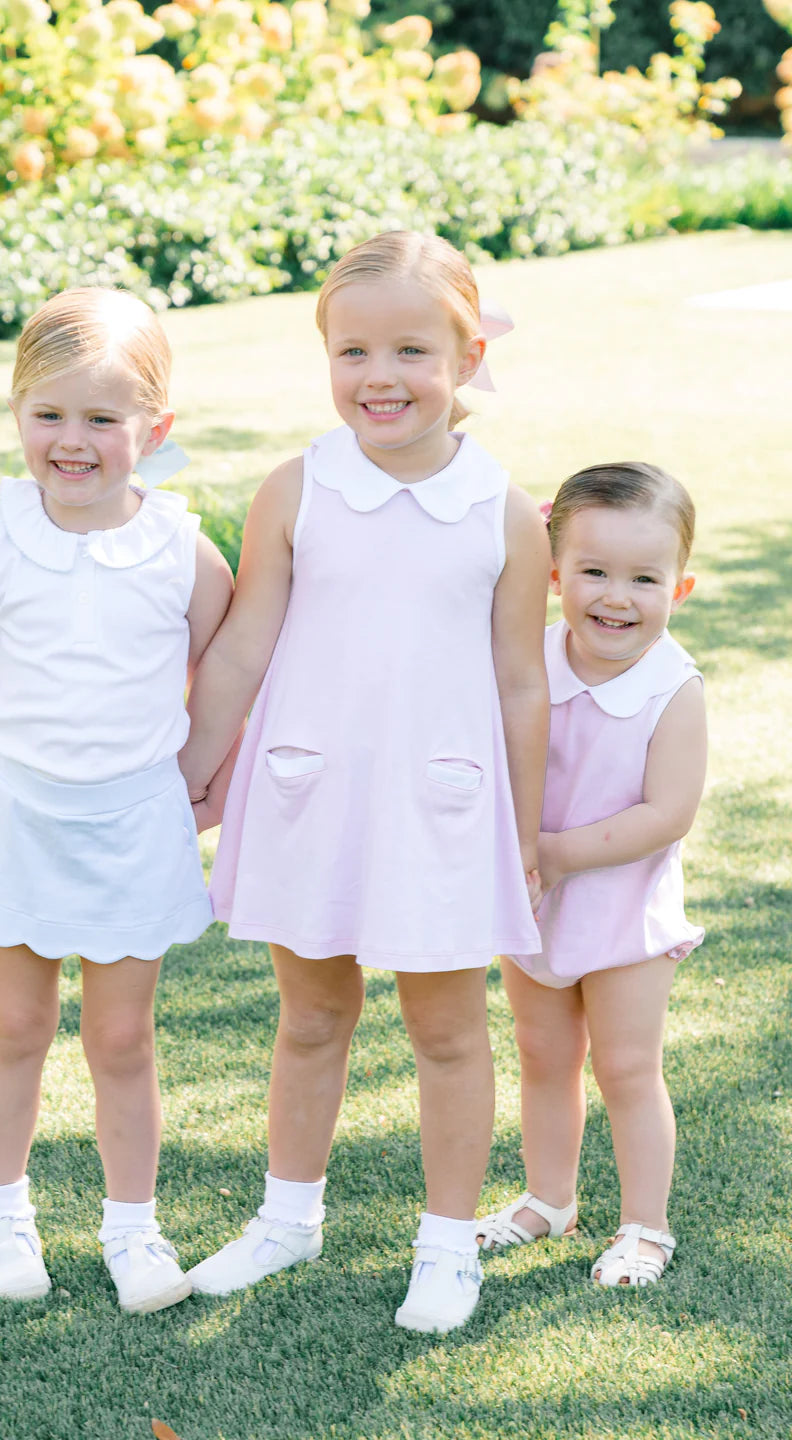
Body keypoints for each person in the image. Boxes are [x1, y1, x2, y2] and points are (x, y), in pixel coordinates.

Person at [178, 231, 550, 1334]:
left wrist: (520, 830)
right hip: (311, 793)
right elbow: (242, 647)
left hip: (442, 805)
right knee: (311, 1016)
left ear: (468, 354)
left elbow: (523, 684)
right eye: (352, 352)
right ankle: (287, 1218)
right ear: (326, 358)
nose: (378, 378)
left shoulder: (504, 512)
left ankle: (448, 1247)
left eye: (410, 350)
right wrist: (195, 769)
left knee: (446, 1029)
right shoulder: (296, 486)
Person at [0, 286, 233, 1312]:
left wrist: (179, 780)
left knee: (122, 1038)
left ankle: (132, 1229)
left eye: (103, 418)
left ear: (156, 428)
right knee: (15, 1026)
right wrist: (43, 751)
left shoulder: (186, 554)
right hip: (22, 814)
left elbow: (219, 685)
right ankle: (2, 1219)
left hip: (134, 823)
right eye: (49, 413)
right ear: (17, 416)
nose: (73, 439)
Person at [475, 462, 706, 1288]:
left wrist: (556, 852)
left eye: (644, 579)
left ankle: (646, 1227)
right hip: (533, 903)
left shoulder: (671, 689)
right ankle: (549, 1199)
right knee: (542, 1055)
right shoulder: (528, 663)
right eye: (594, 572)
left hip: (622, 912)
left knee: (627, 1067)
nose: (617, 597)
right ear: (554, 574)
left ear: (679, 585)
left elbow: (666, 814)